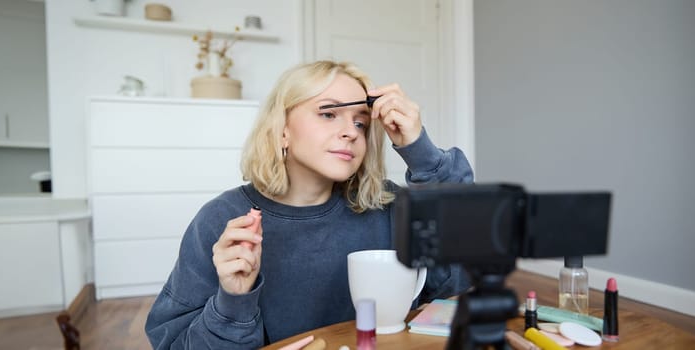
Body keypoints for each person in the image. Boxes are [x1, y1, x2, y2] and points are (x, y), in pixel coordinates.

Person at [145, 60, 474, 348]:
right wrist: (233, 301)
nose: (350, 132)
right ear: (283, 130)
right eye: (329, 114)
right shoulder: (221, 220)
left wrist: (420, 150)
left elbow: (458, 274)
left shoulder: (385, 206)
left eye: (360, 122)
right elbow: (173, 343)